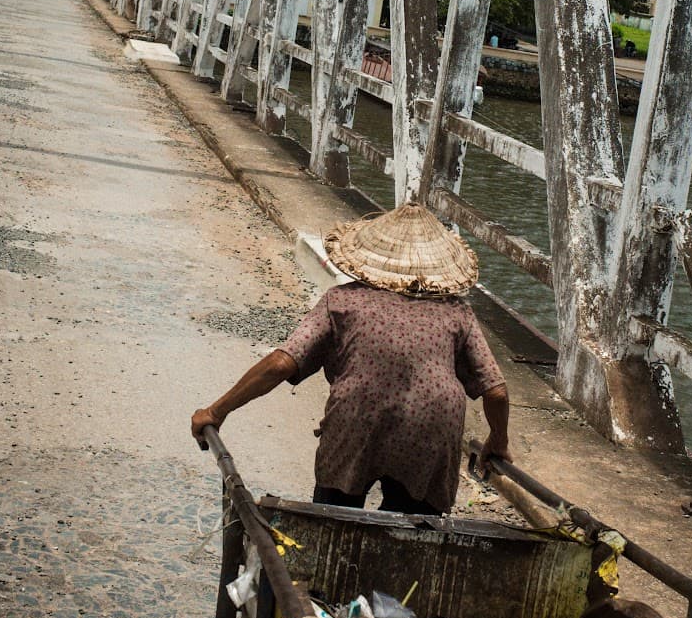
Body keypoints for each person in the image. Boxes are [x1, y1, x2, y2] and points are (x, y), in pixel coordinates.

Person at [191, 203, 511, 516]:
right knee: (416, 529)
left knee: (336, 516)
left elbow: (281, 364)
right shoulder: (457, 312)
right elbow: (495, 391)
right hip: (432, 428)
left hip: (357, 416)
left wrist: (216, 411)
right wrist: (497, 439)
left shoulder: (343, 301)